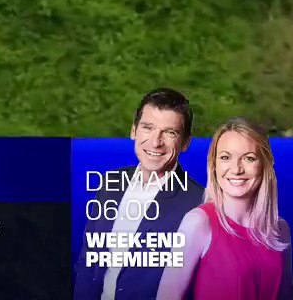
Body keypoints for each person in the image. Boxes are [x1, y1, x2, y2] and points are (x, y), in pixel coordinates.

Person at [74, 88, 206, 300]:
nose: (156, 142)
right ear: (134, 131)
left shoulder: (199, 204)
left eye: (170, 132)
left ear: (185, 143)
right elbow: (89, 262)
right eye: (148, 128)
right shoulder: (111, 183)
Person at [157, 118, 293, 300]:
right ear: (214, 165)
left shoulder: (280, 229)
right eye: (225, 157)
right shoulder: (198, 222)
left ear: (265, 165)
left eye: (249, 158)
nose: (236, 169)